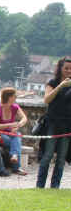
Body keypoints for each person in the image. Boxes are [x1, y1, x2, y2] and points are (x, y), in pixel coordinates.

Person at [36, 57, 71, 189]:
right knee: (48, 155)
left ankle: (55, 186)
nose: (68, 71)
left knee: (61, 158)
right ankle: (40, 185)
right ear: (60, 69)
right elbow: (47, 99)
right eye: (66, 68)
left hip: (68, 125)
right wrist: (61, 86)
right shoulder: (53, 82)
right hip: (52, 124)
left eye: (70, 68)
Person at [0, 87, 28, 175]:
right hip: (0, 134)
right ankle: (16, 167)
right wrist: (10, 125)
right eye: (14, 96)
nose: (16, 97)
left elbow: (24, 118)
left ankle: (14, 156)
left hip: (12, 133)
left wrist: (18, 125)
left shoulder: (15, 107)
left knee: (17, 136)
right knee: (16, 141)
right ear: (9, 97)